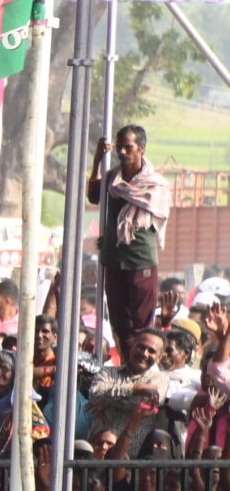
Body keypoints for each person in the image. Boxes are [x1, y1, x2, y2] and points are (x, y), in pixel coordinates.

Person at [88, 124, 170, 336]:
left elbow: (159, 216)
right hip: (113, 258)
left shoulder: (154, 185)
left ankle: (139, 366)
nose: (122, 153)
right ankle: (125, 365)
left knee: (141, 323)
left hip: (140, 258)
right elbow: (93, 196)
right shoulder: (111, 179)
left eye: (128, 147)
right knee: (119, 321)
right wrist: (97, 160)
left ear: (142, 148)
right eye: (120, 148)